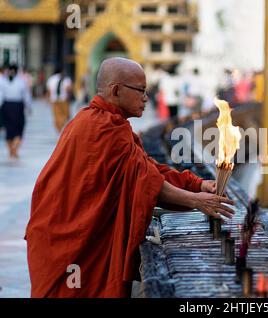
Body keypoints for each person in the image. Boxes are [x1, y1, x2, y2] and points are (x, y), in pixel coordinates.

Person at [25, 57, 235, 298]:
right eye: (141, 91)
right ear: (116, 90)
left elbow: (146, 169)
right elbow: (146, 182)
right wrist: (196, 201)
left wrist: (197, 183)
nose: (146, 98)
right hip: (66, 241)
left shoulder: (108, 124)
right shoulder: (100, 127)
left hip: (78, 235)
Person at [0, 65, 32, 159]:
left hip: (7, 106)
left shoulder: (3, 81)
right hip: (17, 107)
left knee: (9, 129)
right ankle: (14, 150)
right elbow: (26, 96)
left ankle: (12, 151)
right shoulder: (21, 82)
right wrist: (29, 107)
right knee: (19, 129)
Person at [46, 68, 73, 133]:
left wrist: (48, 99)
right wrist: (69, 98)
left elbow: (49, 91)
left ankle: (59, 130)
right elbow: (69, 89)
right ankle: (62, 128)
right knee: (66, 116)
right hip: (64, 100)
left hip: (54, 100)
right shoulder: (66, 79)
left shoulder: (51, 79)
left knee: (57, 116)